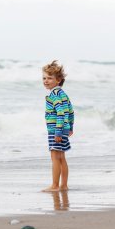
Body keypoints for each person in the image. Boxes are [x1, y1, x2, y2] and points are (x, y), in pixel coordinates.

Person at [42, 60, 74, 192]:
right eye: (44, 78)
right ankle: (64, 185)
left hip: (56, 130)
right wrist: (70, 126)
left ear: (58, 80)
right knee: (61, 157)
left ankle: (55, 185)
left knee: (55, 157)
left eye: (50, 78)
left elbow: (61, 112)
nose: (46, 81)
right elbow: (70, 111)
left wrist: (58, 131)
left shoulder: (54, 94)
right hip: (63, 129)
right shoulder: (63, 94)